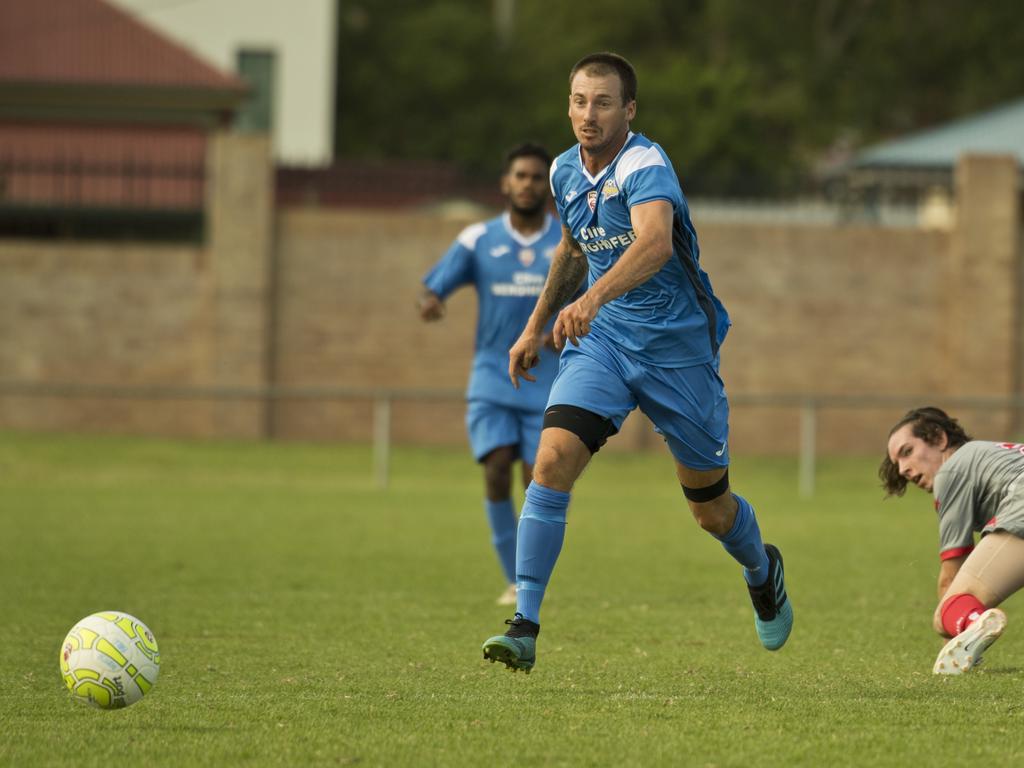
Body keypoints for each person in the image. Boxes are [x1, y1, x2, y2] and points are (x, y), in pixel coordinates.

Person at [480, 52, 793, 673]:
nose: (586, 115)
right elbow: (571, 247)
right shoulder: (565, 171)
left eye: (601, 103)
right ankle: (524, 625)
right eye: (577, 101)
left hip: (678, 354)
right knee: (550, 461)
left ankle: (763, 569)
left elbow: (652, 242)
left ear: (629, 109)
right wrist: (536, 324)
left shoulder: (646, 164)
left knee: (710, 510)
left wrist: (591, 298)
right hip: (606, 345)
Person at [419, 143, 563, 606]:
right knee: (496, 468)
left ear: (549, 186)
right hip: (491, 375)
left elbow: (598, 297)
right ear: (505, 183)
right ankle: (515, 581)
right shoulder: (477, 238)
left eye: (537, 177)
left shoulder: (568, 243)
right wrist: (431, 301)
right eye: (520, 176)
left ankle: (530, 578)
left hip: (548, 380)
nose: (528, 184)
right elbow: (431, 286)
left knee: (536, 479)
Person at [881, 406, 1023, 674]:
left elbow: (951, 573)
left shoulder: (952, 469)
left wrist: (952, 644)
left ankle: (972, 626)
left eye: (907, 452)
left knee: (948, 610)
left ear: (938, 438)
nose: (903, 470)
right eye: (897, 463)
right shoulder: (992, 453)